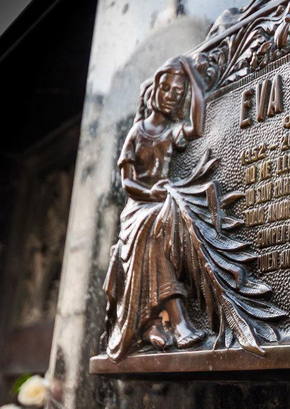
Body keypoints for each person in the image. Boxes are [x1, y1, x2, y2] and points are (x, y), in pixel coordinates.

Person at [103, 55, 207, 361]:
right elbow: (126, 183)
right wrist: (150, 193)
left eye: (179, 91)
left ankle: (152, 322)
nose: (172, 94)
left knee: (163, 224)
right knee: (152, 225)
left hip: (161, 203)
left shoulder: (170, 132)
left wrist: (191, 74)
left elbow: (197, 127)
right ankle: (177, 321)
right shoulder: (137, 132)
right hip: (139, 207)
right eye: (166, 88)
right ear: (154, 90)